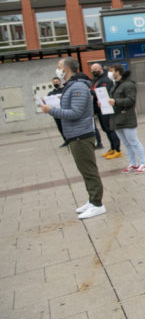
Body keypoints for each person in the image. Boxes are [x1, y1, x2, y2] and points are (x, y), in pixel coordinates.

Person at [41, 57, 107, 220]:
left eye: (59, 67)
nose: (57, 70)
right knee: (84, 170)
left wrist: (51, 110)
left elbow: (75, 113)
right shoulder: (71, 86)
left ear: (66, 69)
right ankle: (92, 200)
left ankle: (98, 204)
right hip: (75, 135)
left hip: (81, 136)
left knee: (89, 171)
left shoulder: (77, 86)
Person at [107, 64, 145, 174]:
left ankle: (143, 163)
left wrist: (116, 102)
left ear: (118, 72)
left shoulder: (128, 85)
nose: (109, 73)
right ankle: (133, 163)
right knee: (126, 143)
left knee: (134, 141)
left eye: (111, 71)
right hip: (116, 118)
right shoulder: (115, 85)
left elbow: (131, 100)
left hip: (127, 117)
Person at [91, 63, 122, 159]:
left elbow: (106, 93)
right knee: (106, 129)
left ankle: (117, 150)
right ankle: (112, 148)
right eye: (92, 69)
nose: (93, 71)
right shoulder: (96, 80)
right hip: (100, 109)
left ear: (100, 69)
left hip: (106, 108)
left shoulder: (105, 80)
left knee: (110, 129)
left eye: (95, 69)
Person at [47, 77, 67, 147]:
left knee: (66, 127)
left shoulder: (64, 90)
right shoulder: (50, 93)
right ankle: (66, 140)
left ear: (60, 82)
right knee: (60, 127)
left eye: (57, 82)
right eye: (54, 82)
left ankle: (71, 139)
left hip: (64, 112)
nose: (55, 83)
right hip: (56, 113)